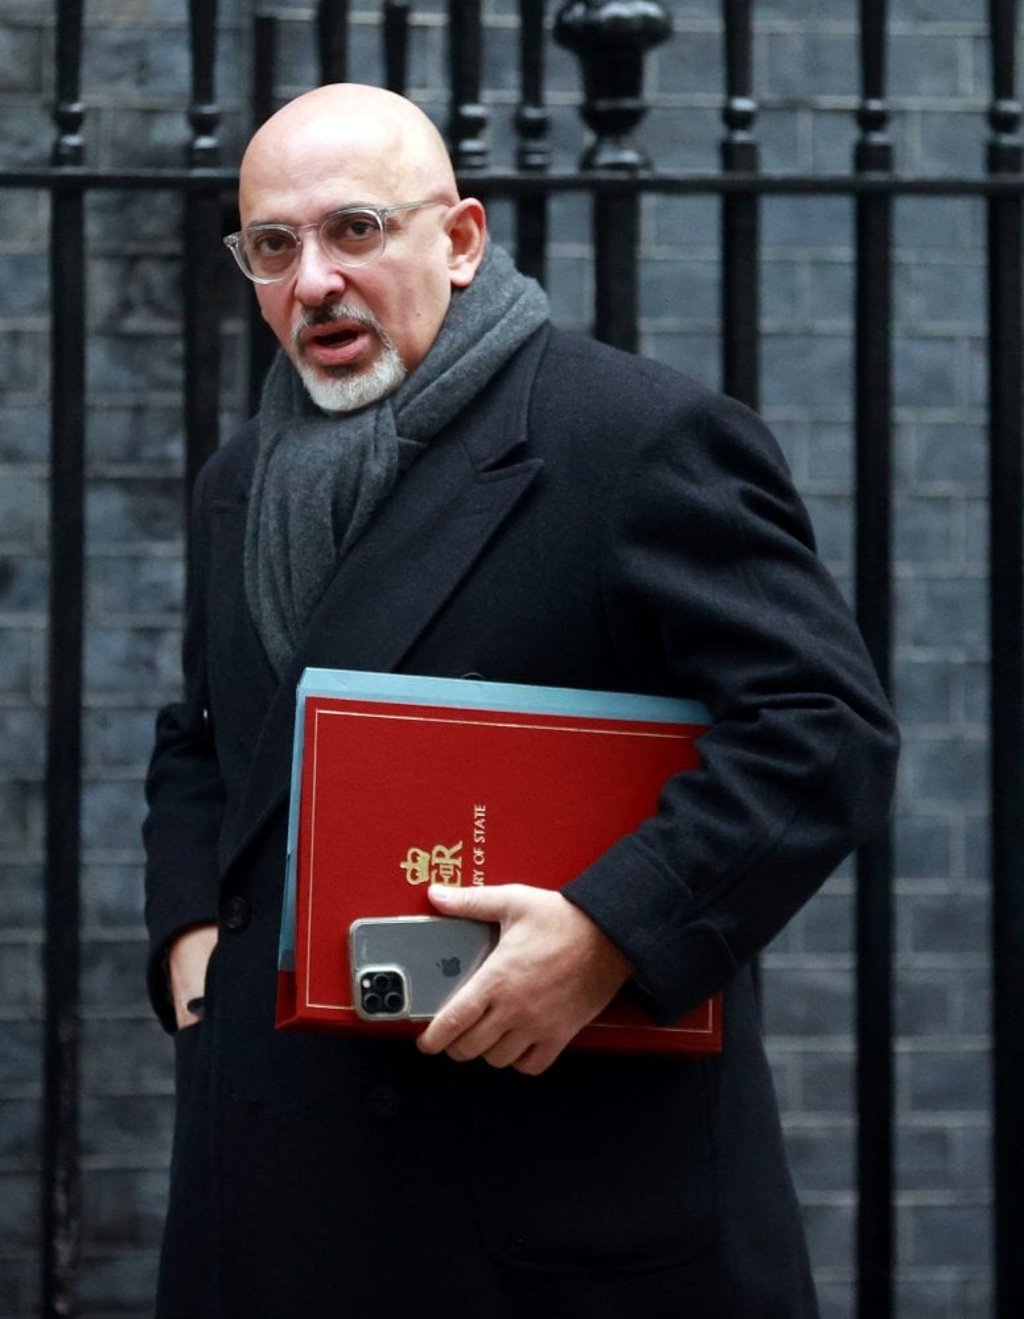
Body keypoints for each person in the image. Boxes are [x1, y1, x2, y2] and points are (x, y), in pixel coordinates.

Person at [143, 82, 898, 1318]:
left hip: (546, 1191)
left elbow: (822, 728)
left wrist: (608, 932)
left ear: (461, 238)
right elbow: (207, 737)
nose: (314, 280)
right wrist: (190, 943)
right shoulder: (244, 477)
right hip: (281, 1178)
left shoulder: (634, 438)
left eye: (355, 230)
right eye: (273, 247)